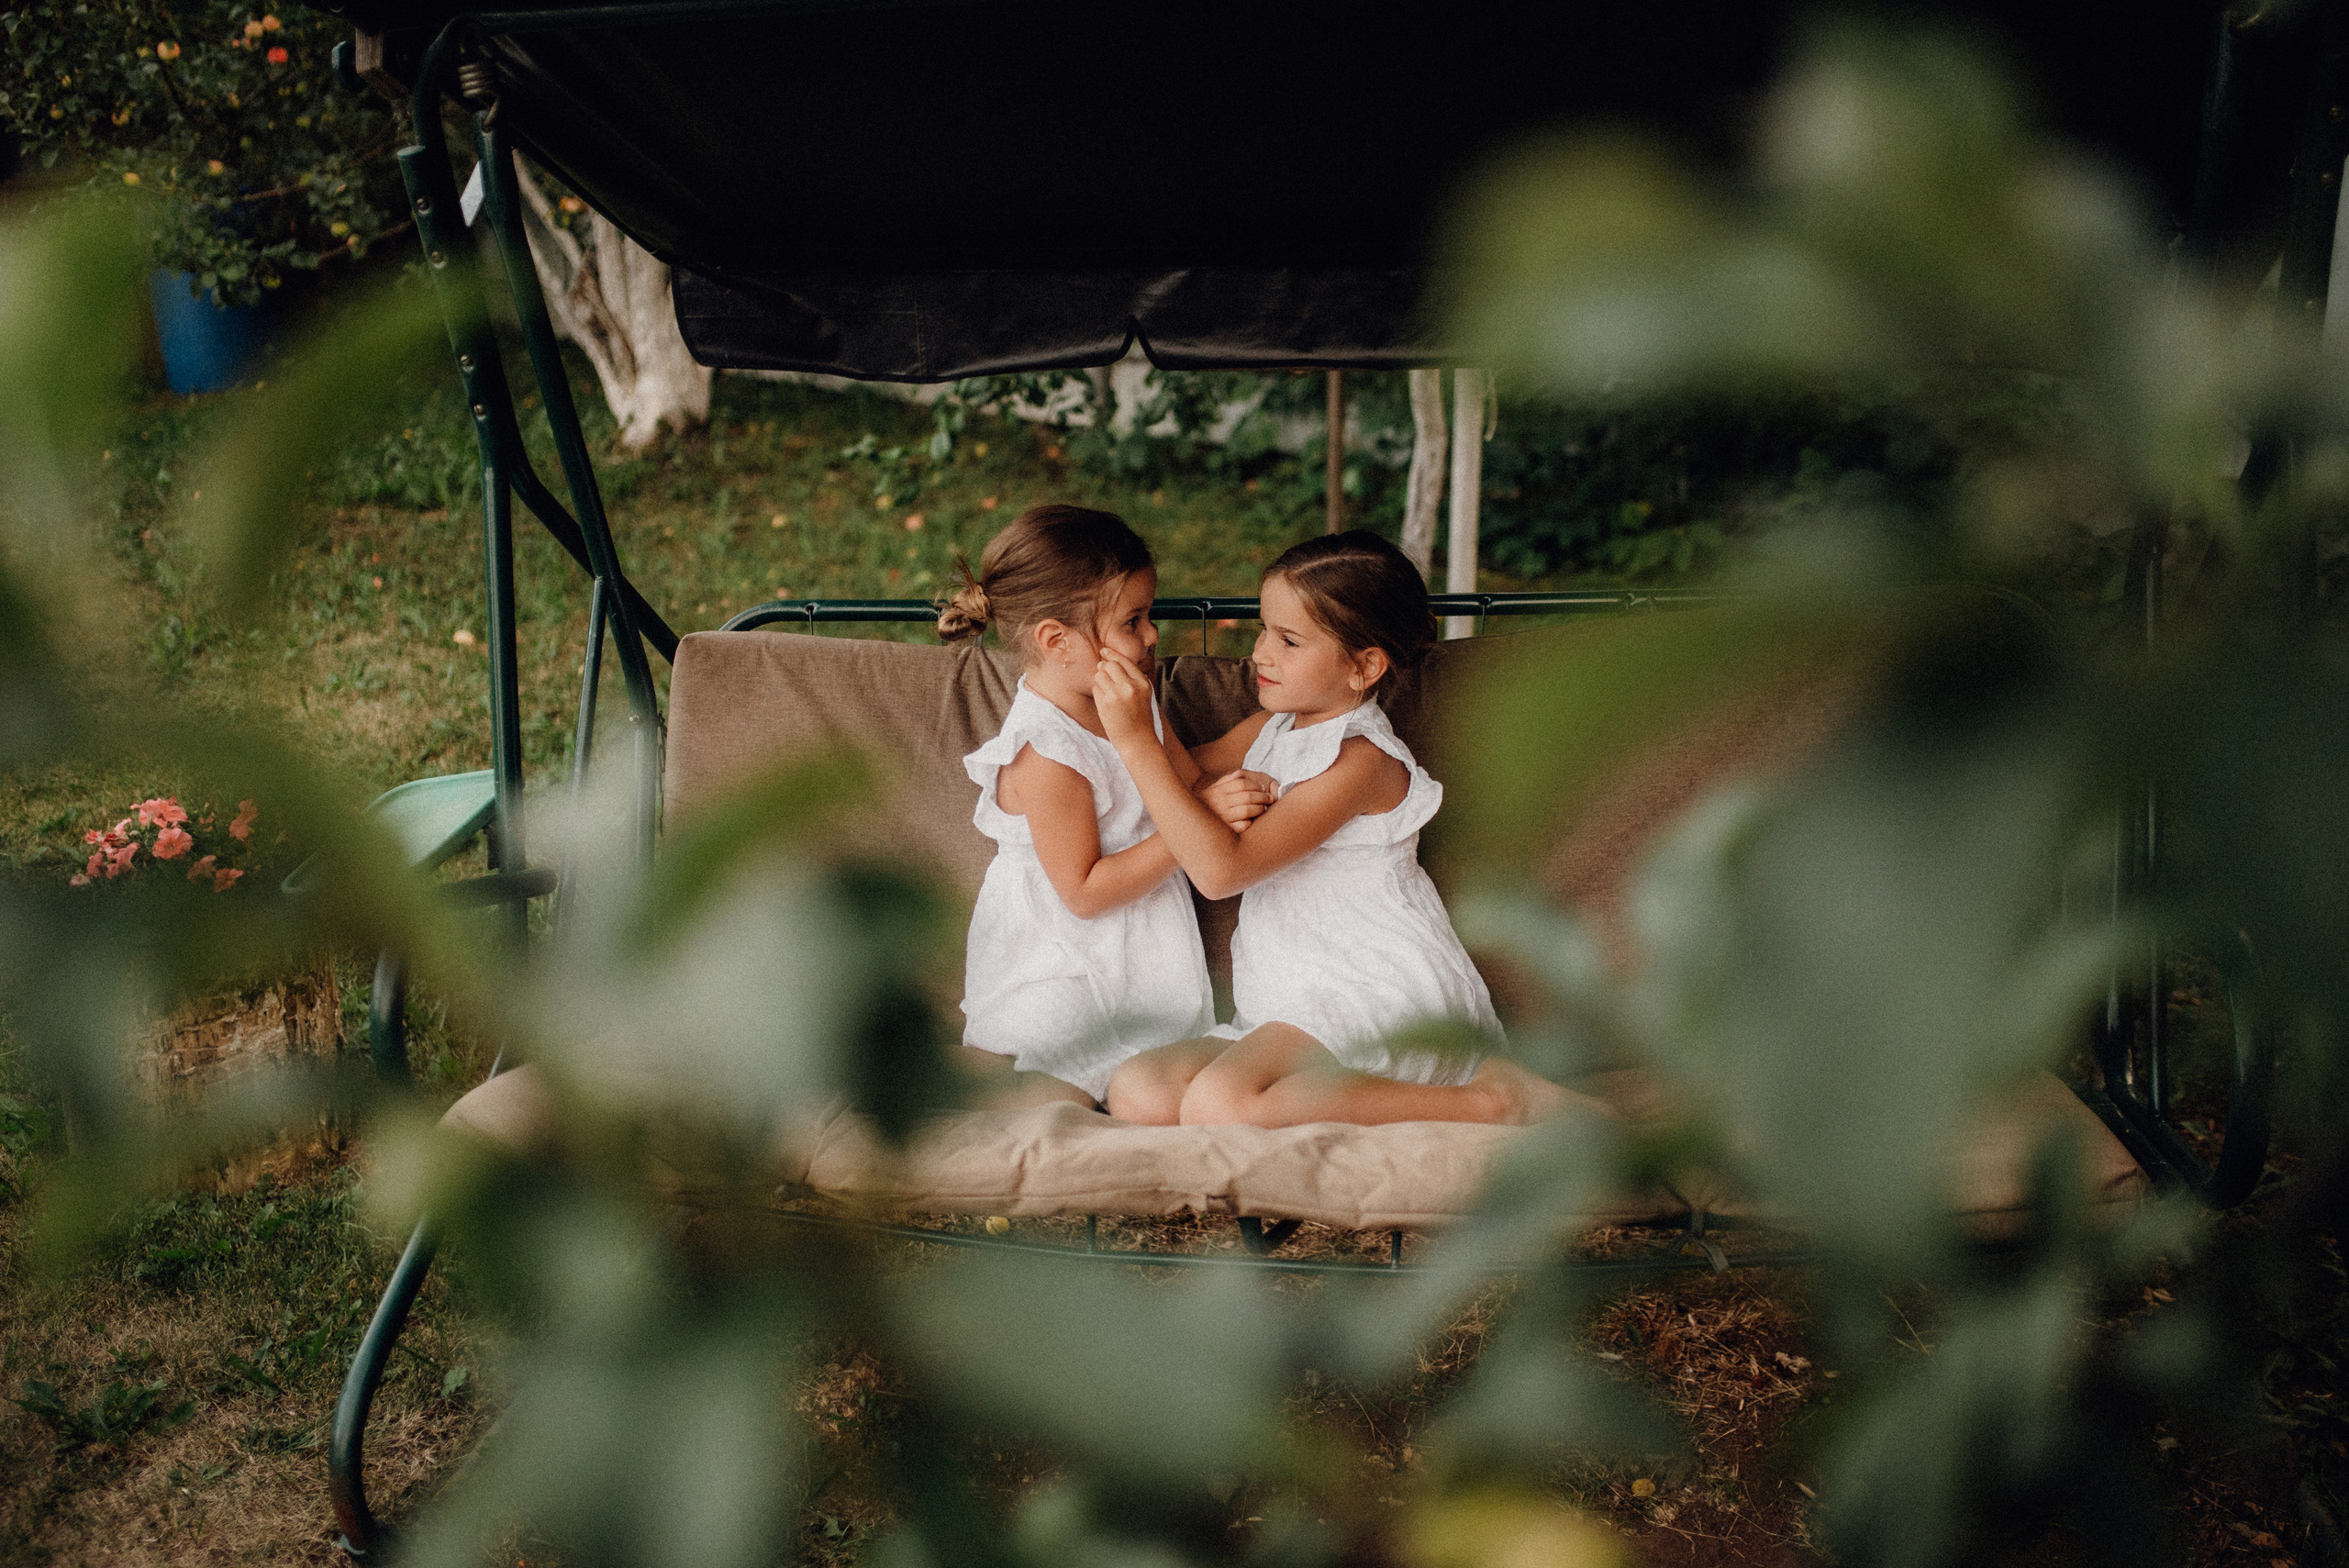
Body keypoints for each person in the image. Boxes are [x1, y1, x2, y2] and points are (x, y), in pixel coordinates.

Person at [1093, 530, 1589, 1129]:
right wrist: (1137, 702)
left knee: (1221, 1102)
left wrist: (1134, 742)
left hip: (1374, 989)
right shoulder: (1274, 728)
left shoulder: (1360, 759)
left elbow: (1222, 870)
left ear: (1364, 666)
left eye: (1289, 640)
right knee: (1140, 1089)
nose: (1260, 653)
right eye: (1264, 629)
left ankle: (1493, 1099)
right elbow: (1190, 777)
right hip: (1290, 1000)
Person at [941, 504, 1275, 1108]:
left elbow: (1189, 778)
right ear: (1055, 640)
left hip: (1137, 949)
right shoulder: (1045, 750)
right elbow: (1085, 890)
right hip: (1059, 956)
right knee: (1052, 1090)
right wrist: (1199, 825)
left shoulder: (1126, 695)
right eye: (1133, 620)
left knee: (1133, 1076)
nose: (1151, 636)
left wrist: (1293, 714)